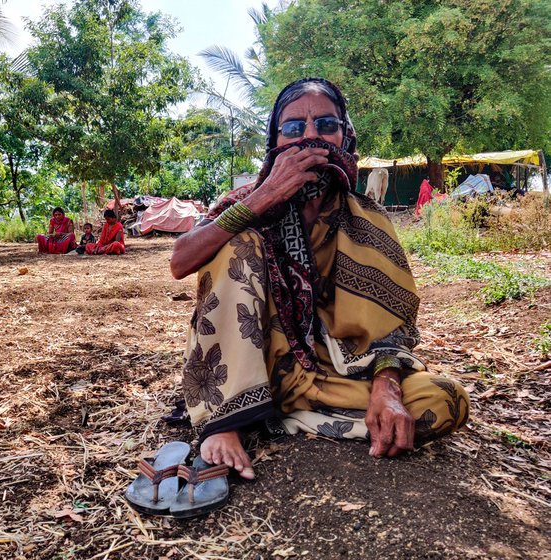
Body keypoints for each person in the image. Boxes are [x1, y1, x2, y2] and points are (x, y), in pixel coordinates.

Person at [171, 78, 470, 481]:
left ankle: (272, 415)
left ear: (345, 137)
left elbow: (391, 328)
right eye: (293, 128)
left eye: (325, 124)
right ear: (275, 143)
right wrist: (264, 198)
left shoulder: (367, 218)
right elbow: (181, 260)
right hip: (253, 362)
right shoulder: (244, 201)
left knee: (443, 399)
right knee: (239, 243)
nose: (310, 136)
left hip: (335, 372)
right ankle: (225, 420)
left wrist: (387, 387)